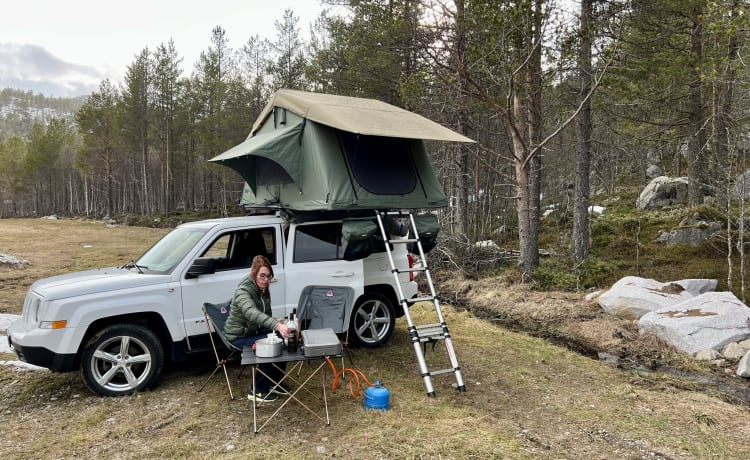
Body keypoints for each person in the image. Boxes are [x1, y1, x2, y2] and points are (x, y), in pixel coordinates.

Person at [223, 255, 291, 402]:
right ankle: (257, 390)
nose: (266, 280)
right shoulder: (243, 291)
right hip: (238, 337)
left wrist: (275, 322)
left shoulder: (261, 289)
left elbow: (264, 315)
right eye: (262, 276)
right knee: (270, 344)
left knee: (280, 337)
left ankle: (275, 383)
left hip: (252, 332)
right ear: (254, 273)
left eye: (268, 276)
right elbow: (251, 313)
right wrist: (276, 325)